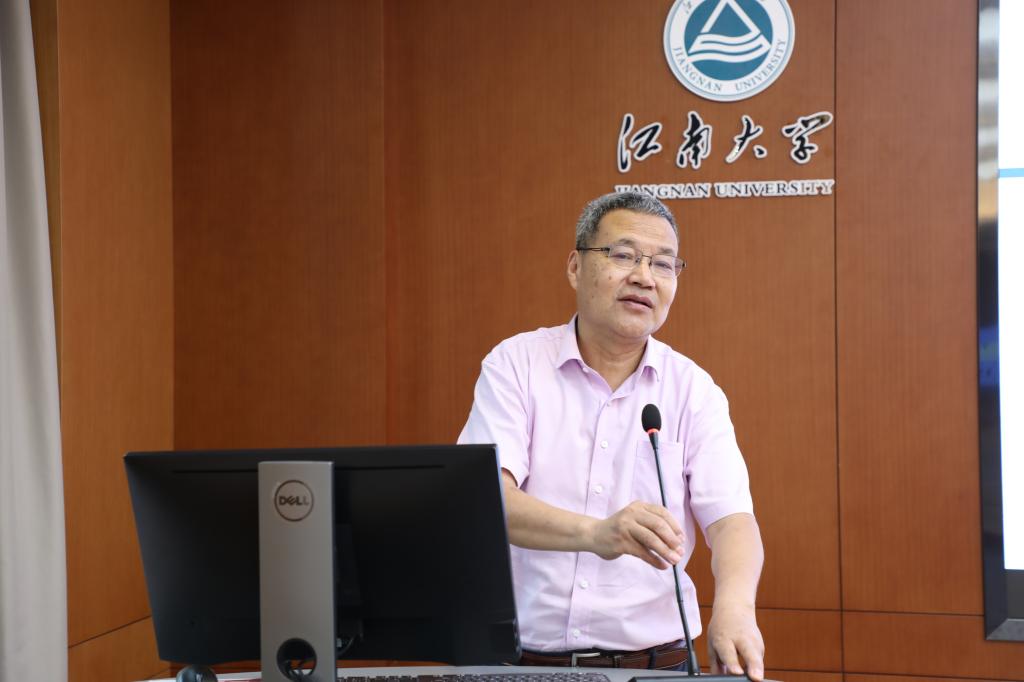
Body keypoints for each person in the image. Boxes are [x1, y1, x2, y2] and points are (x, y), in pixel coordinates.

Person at [457, 191, 765, 679]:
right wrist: (597, 534)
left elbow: (732, 522)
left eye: (663, 264)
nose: (644, 277)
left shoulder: (693, 390)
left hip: (656, 666)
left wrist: (735, 607)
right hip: (520, 663)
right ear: (576, 267)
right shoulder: (516, 365)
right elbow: (486, 498)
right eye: (623, 255)